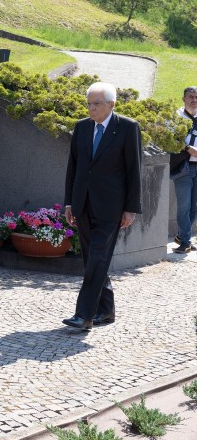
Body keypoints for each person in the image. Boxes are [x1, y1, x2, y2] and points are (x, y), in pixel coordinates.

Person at [63, 82, 142, 330]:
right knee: (93, 260)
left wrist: (131, 208)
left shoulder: (128, 128)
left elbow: (134, 170)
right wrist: (69, 202)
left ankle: (84, 314)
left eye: (96, 104)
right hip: (83, 205)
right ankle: (106, 310)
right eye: (88, 104)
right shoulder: (82, 127)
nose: (91, 108)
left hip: (111, 208)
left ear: (111, 104)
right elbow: (73, 167)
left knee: (97, 258)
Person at [171, 86, 197, 253]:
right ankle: (185, 241)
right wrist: (188, 149)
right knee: (184, 206)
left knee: (194, 207)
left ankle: (183, 236)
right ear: (184, 99)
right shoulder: (176, 117)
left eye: (196, 97)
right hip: (183, 167)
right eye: (191, 97)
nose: (194, 100)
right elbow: (169, 139)